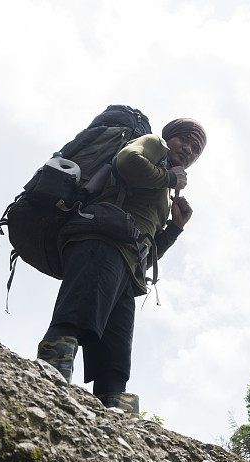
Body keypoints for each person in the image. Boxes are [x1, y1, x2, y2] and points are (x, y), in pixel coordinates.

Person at [36, 118, 207, 415]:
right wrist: (169, 178)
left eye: (196, 149)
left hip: (129, 264)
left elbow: (149, 249)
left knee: (115, 351)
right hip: (101, 239)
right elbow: (128, 161)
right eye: (185, 140)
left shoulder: (165, 190)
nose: (189, 149)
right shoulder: (154, 144)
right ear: (170, 137)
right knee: (77, 315)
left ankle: (113, 410)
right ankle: (48, 382)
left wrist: (175, 229)